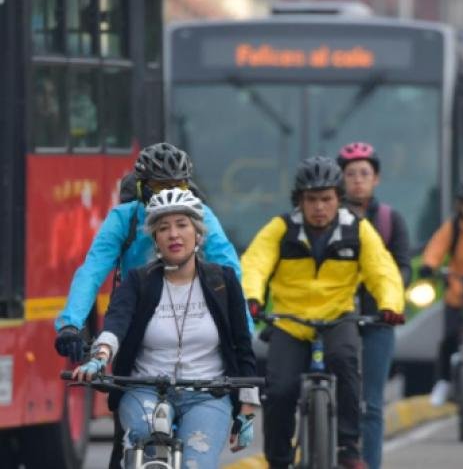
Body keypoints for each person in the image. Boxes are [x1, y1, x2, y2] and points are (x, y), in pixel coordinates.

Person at [71, 188, 259, 468]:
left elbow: (243, 346)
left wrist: (247, 409)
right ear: (155, 239)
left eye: (182, 225)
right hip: (145, 390)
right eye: (163, 228)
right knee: (143, 438)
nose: (173, 234)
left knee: (197, 463)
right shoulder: (139, 281)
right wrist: (100, 357)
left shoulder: (222, 281)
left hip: (208, 395)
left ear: (198, 233)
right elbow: (116, 323)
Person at [241, 156, 405, 469]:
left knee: (345, 362)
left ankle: (348, 447)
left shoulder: (358, 230)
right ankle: (278, 459)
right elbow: (255, 263)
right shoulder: (281, 228)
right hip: (290, 321)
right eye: (312, 200)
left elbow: (382, 270)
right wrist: (252, 297)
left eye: (326, 199)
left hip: (337, 317)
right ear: (299, 201)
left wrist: (390, 305)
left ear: (338, 198)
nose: (319, 207)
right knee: (279, 390)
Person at [55, 142, 250, 363]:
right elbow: (92, 272)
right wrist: (70, 324)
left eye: (178, 187)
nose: (169, 194)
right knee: (121, 393)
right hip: (136, 317)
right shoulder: (123, 219)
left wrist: (245, 333)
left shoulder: (200, 215)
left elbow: (230, 271)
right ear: (142, 188)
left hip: (194, 318)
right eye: (160, 186)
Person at [337, 142, 412, 469]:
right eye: (350, 174)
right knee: (328, 393)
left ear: (376, 179)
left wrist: (390, 297)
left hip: (377, 320)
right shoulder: (328, 217)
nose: (357, 180)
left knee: (372, 404)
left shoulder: (389, 219)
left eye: (364, 174)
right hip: (335, 318)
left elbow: (403, 266)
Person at [422, 182, 463, 407]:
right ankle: (444, 382)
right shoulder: (453, 228)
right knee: (449, 340)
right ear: (461, 207)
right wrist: (429, 266)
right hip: (457, 293)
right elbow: (435, 250)